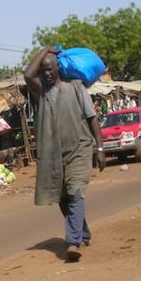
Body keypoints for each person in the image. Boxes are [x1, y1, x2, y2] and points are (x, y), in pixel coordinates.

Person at [24, 46, 106, 261]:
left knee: (75, 192)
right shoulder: (42, 91)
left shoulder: (77, 87)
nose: (47, 74)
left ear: (59, 67)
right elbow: (27, 74)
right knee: (63, 198)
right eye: (43, 71)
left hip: (79, 149)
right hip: (54, 155)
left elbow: (92, 118)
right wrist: (44, 50)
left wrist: (100, 148)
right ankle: (82, 232)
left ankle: (73, 241)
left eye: (50, 69)